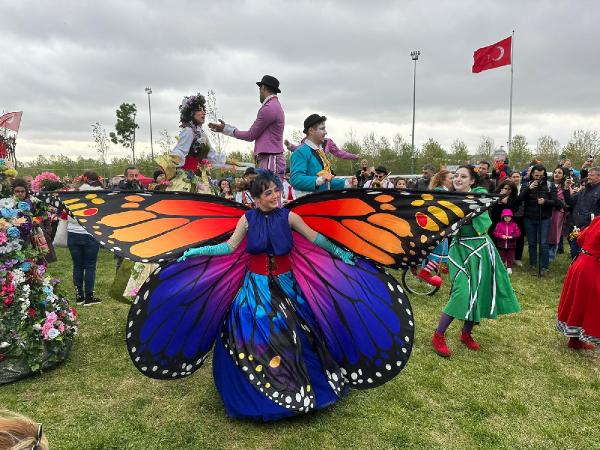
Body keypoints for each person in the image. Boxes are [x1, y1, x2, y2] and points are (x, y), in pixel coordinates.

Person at [177, 170, 359, 419]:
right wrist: (198, 250)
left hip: (286, 285)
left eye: (276, 190)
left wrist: (341, 253)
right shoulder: (247, 219)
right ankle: (256, 396)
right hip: (255, 286)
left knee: (297, 327)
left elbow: (316, 238)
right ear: (256, 199)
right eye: (268, 193)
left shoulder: (290, 216)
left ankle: (307, 387)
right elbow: (229, 246)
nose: (275, 196)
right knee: (246, 320)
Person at [431, 165, 520, 357]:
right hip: (458, 250)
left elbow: (479, 212)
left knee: (478, 291)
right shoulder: (449, 200)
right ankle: (438, 335)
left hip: (480, 247)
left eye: (464, 176)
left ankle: (466, 333)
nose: (458, 179)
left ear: (472, 181)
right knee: (461, 292)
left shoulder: (479, 195)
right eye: (456, 176)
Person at [209, 75, 286, 178]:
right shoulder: (274, 106)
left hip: (271, 158)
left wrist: (226, 129)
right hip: (270, 157)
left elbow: (250, 135)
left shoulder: (269, 108)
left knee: (270, 191)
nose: (259, 94)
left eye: (259, 90)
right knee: (268, 192)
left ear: (262, 88)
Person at [157, 92, 226, 193]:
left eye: (203, 110)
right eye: (199, 110)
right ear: (191, 113)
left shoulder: (202, 134)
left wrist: (230, 163)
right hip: (187, 178)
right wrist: (168, 163)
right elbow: (180, 151)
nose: (203, 113)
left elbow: (212, 155)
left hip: (201, 178)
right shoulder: (189, 131)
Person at [556, 216, 600, 349]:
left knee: (578, 301)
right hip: (591, 266)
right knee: (590, 302)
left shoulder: (597, 220)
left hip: (580, 263)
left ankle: (575, 340)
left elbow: (580, 239)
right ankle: (578, 338)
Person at [289, 114, 356, 197]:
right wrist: (319, 179)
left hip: (323, 203)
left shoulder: (321, 152)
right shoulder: (300, 152)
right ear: (311, 131)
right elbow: (296, 180)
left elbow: (326, 183)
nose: (325, 132)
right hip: (308, 205)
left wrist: (346, 182)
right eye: (322, 129)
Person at [67, 171, 103, 305]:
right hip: (90, 232)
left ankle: (79, 296)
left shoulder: (71, 193)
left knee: (77, 265)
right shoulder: (100, 194)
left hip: (73, 232)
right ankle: (89, 296)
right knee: (90, 266)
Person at [516, 164, 557, 275]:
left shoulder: (550, 185)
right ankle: (533, 263)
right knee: (532, 242)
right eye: (536, 175)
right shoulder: (526, 185)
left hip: (544, 218)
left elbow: (555, 202)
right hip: (529, 218)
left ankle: (545, 266)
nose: (538, 177)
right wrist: (529, 188)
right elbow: (520, 199)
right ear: (532, 174)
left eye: (541, 175)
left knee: (543, 243)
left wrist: (545, 201)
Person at [416, 169, 453, 286]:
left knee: (435, 251)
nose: (453, 180)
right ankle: (425, 272)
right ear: (443, 180)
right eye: (450, 178)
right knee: (439, 252)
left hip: (439, 226)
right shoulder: (439, 191)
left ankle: (436, 267)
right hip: (438, 227)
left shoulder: (443, 191)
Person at [564, 167, 600, 258]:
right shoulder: (584, 190)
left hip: (590, 229)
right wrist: (566, 188)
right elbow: (570, 201)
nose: (588, 177)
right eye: (588, 175)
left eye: (591, 175)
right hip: (577, 228)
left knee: (586, 256)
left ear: (599, 177)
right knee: (575, 253)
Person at [548, 166, 569, 262]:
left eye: (559, 173)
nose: (556, 174)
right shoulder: (548, 184)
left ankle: (551, 256)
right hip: (547, 212)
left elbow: (567, 201)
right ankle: (544, 254)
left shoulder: (565, 187)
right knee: (546, 233)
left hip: (558, 214)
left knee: (555, 234)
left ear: (563, 175)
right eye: (555, 172)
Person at [492, 209, 521, 274]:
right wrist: (501, 236)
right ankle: (502, 266)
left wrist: (512, 236)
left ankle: (509, 267)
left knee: (510, 256)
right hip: (501, 245)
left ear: (511, 217)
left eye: (509, 216)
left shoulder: (514, 225)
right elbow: (495, 233)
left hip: (511, 245)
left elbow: (518, 233)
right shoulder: (499, 225)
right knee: (502, 256)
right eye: (505, 217)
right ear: (502, 217)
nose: (507, 218)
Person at [509, 171, 526, 266]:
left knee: (520, 237)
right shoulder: (508, 188)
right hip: (510, 216)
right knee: (509, 237)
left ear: (521, 178)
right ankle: (508, 257)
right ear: (511, 178)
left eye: (518, 176)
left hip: (522, 216)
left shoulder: (525, 188)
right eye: (514, 176)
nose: (516, 178)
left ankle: (518, 258)